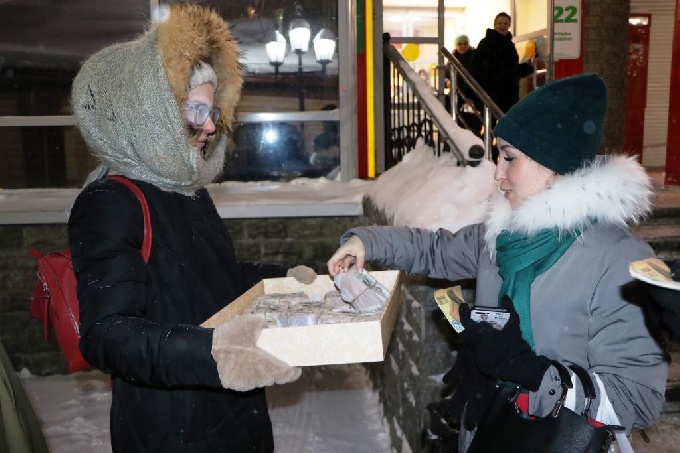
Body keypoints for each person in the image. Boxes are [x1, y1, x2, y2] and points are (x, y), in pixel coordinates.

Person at [327, 73, 667, 452]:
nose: (497, 172)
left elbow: (637, 399)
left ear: (554, 163)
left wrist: (532, 374)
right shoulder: (503, 233)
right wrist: (367, 241)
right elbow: (436, 249)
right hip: (490, 429)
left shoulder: (618, 259)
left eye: (509, 158)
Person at [69, 4, 308, 452]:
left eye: (213, 111)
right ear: (148, 111)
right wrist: (210, 353)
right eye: (195, 109)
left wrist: (284, 279)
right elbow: (107, 334)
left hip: (230, 412)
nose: (211, 126)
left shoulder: (186, 189)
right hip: (174, 429)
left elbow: (212, 284)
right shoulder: (110, 201)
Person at [469, 12, 535, 161]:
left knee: (505, 126)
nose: (503, 26)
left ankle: (501, 155)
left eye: (506, 23)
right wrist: (473, 94)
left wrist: (524, 69)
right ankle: (489, 156)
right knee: (490, 126)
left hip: (508, 93)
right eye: (500, 23)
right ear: (494, 25)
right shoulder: (486, 43)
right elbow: (477, 69)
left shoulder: (509, 44)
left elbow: (510, 71)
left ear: (509, 25)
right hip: (490, 93)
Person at [445, 34, 481, 135]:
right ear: (456, 45)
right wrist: (447, 82)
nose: (462, 46)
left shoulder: (475, 58)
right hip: (457, 93)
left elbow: (478, 76)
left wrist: (471, 96)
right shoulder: (452, 58)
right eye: (460, 44)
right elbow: (445, 75)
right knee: (449, 110)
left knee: (477, 119)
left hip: (473, 93)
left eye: (465, 44)